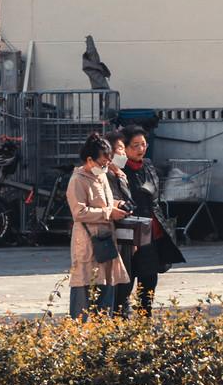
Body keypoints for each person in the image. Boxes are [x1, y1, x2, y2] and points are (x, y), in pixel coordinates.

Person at [111, 125, 184, 316]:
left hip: (151, 229)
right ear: (124, 148)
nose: (140, 149)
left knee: (149, 277)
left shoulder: (149, 165)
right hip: (129, 231)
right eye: (135, 145)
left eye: (143, 144)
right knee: (126, 280)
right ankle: (121, 318)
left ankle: (145, 317)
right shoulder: (118, 170)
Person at [66, 131, 128, 319]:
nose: (105, 166)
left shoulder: (101, 177)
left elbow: (104, 204)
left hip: (106, 240)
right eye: (102, 163)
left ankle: (102, 332)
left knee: (106, 286)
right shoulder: (78, 179)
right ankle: (81, 334)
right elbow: (79, 212)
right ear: (90, 160)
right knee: (85, 288)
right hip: (87, 241)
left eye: (108, 162)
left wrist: (118, 205)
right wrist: (109, 213)